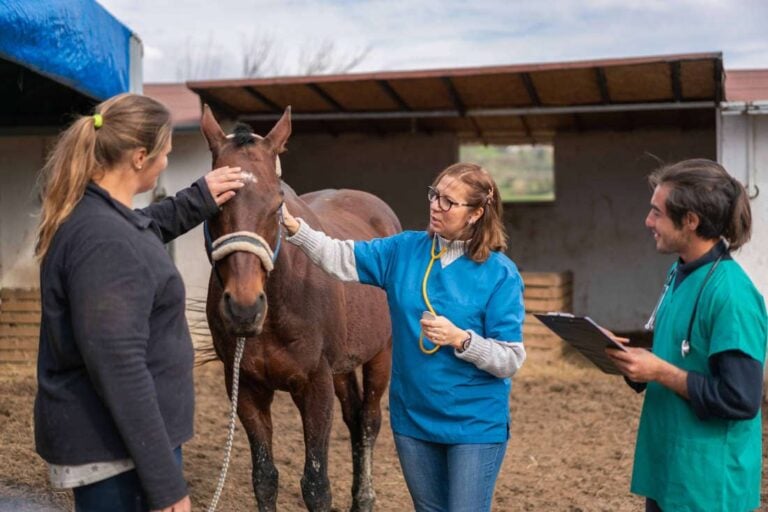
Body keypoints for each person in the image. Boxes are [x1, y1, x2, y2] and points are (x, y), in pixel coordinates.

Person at [33, 93, 244, 512]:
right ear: (140, 157)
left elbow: (142, 227)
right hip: (117, 454)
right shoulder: (103, 241)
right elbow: (119, 366)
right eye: (166, 153)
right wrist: (167, 486)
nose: (167, 161)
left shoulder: (100, 216)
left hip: (122, 445)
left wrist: (198, 198)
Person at [281, 162, 526, 512]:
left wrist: (463, 340)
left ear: (476, 213)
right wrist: (297, 230)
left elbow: (510, 359)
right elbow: (340, 257)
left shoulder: (500, 274)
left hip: (473, 424)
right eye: (434, 195)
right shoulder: (404, 251)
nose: (435, 206)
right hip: (414, 419)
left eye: (448, 202)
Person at [606, 159, 767, 512]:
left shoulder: (731, 295)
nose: (648, 222)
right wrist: (620, 353)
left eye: (656, 213)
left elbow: (740, 399)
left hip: (708, 483)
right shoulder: (680, 273)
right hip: (670, 468)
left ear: (690, 221)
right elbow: (678, 353)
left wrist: (659, 372)